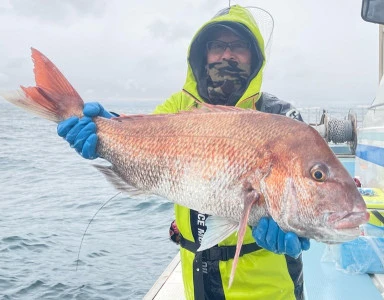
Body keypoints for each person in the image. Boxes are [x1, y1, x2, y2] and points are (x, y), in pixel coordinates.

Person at [57, 5, 310, 300]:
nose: (227, 55)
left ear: (255, 56)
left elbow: (311, 187)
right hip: (197, 285)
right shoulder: (178, 107)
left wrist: (304, 228)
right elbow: (144, 136)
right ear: (203, 54)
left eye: (239, 46)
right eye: (217, 46)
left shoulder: (281, 118)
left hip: (269, 291)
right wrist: (104, 128)